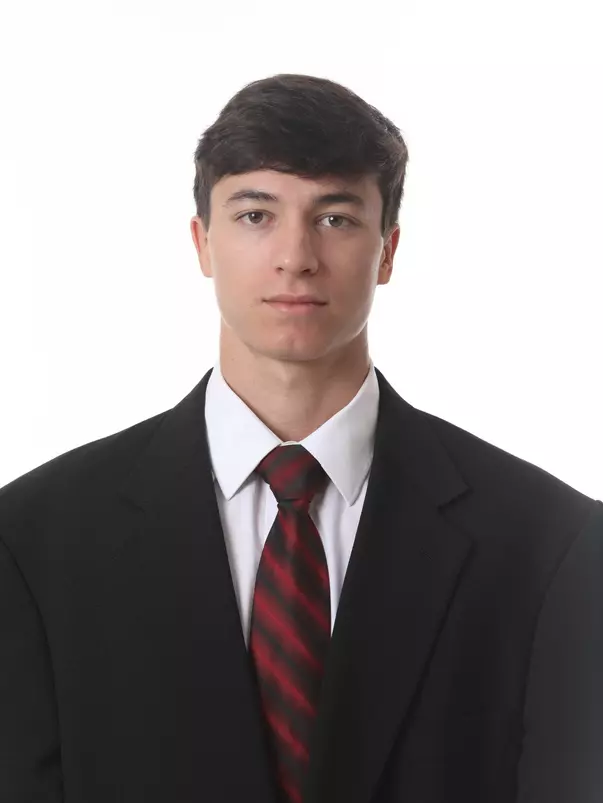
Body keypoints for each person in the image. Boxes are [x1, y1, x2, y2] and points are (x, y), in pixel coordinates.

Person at [0, 73, 601, 803]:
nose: (295, 256)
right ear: (202, 242)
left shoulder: (550, 542)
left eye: (336, 218)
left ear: (387, 250)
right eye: (255, 214)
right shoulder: (34, 539)